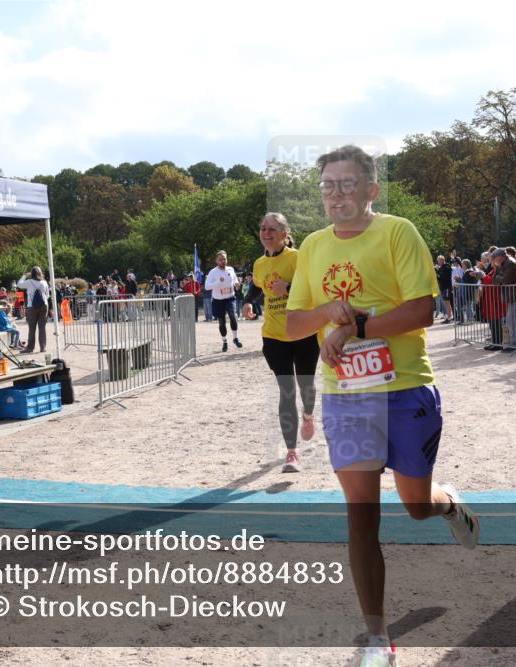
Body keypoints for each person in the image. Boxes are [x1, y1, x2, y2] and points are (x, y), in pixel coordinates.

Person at [286, 145, 479, 666]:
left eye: (348, 184)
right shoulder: (311, 245)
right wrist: (327, 311)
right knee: (360, 517)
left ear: (370, 190)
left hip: (405, 388)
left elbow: (423, 310)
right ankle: (377, 637)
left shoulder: (397, 232)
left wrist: (358, 328)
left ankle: (448, 504)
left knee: (415, 507)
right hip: (347, 396)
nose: (336, 194)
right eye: (328, 185)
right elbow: (292, 323)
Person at [241, 213, 320, 473]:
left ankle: (308, 415)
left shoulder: (298, 258)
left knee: (306, 386)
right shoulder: (259, 263)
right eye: (263, 228)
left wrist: (288, 287)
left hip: (305, 333)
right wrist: (248, 301)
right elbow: (256, 286)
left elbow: (314, 287)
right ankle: (292, 453)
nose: (266, 233)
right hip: (274, 336)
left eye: (272, 229)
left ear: (285, 234)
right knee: (287, 391)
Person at [204, 250, 243, 352]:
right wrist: (218, 282)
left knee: (233, 316)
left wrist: (237, 284)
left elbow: (235, 281)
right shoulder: (213, 272)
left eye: (224, 259)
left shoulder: (231, 269)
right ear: (217, 261)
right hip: (218, 300)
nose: (223, 261)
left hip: (230, 298)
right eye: (220, 260)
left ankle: (235, 338)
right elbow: (207, 287)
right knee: (222, 323)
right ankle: (224, 342)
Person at [17, 266, 49, 354]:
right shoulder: (44, 282)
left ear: (32, 274)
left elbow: (19, 284)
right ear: (40, 273)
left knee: (32, 328)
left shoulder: (29, 282)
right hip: (44, 306)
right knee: (42, 328)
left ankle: (30, 348)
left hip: (32, 307)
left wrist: (24, 276)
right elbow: (47, 295)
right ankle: (43, 347)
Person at [433, 255, 454, 323]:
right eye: (438, 260)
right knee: (446, 303)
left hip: (447, 287)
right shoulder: (442, 267)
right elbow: (440, 278)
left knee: (447, 303)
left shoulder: (446, 266)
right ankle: (449, 317)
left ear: (442, 260)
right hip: (443, 287)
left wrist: (437, 271)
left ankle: (449, 317)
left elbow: (443, 277)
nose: (438, 262)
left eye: (439, 260)